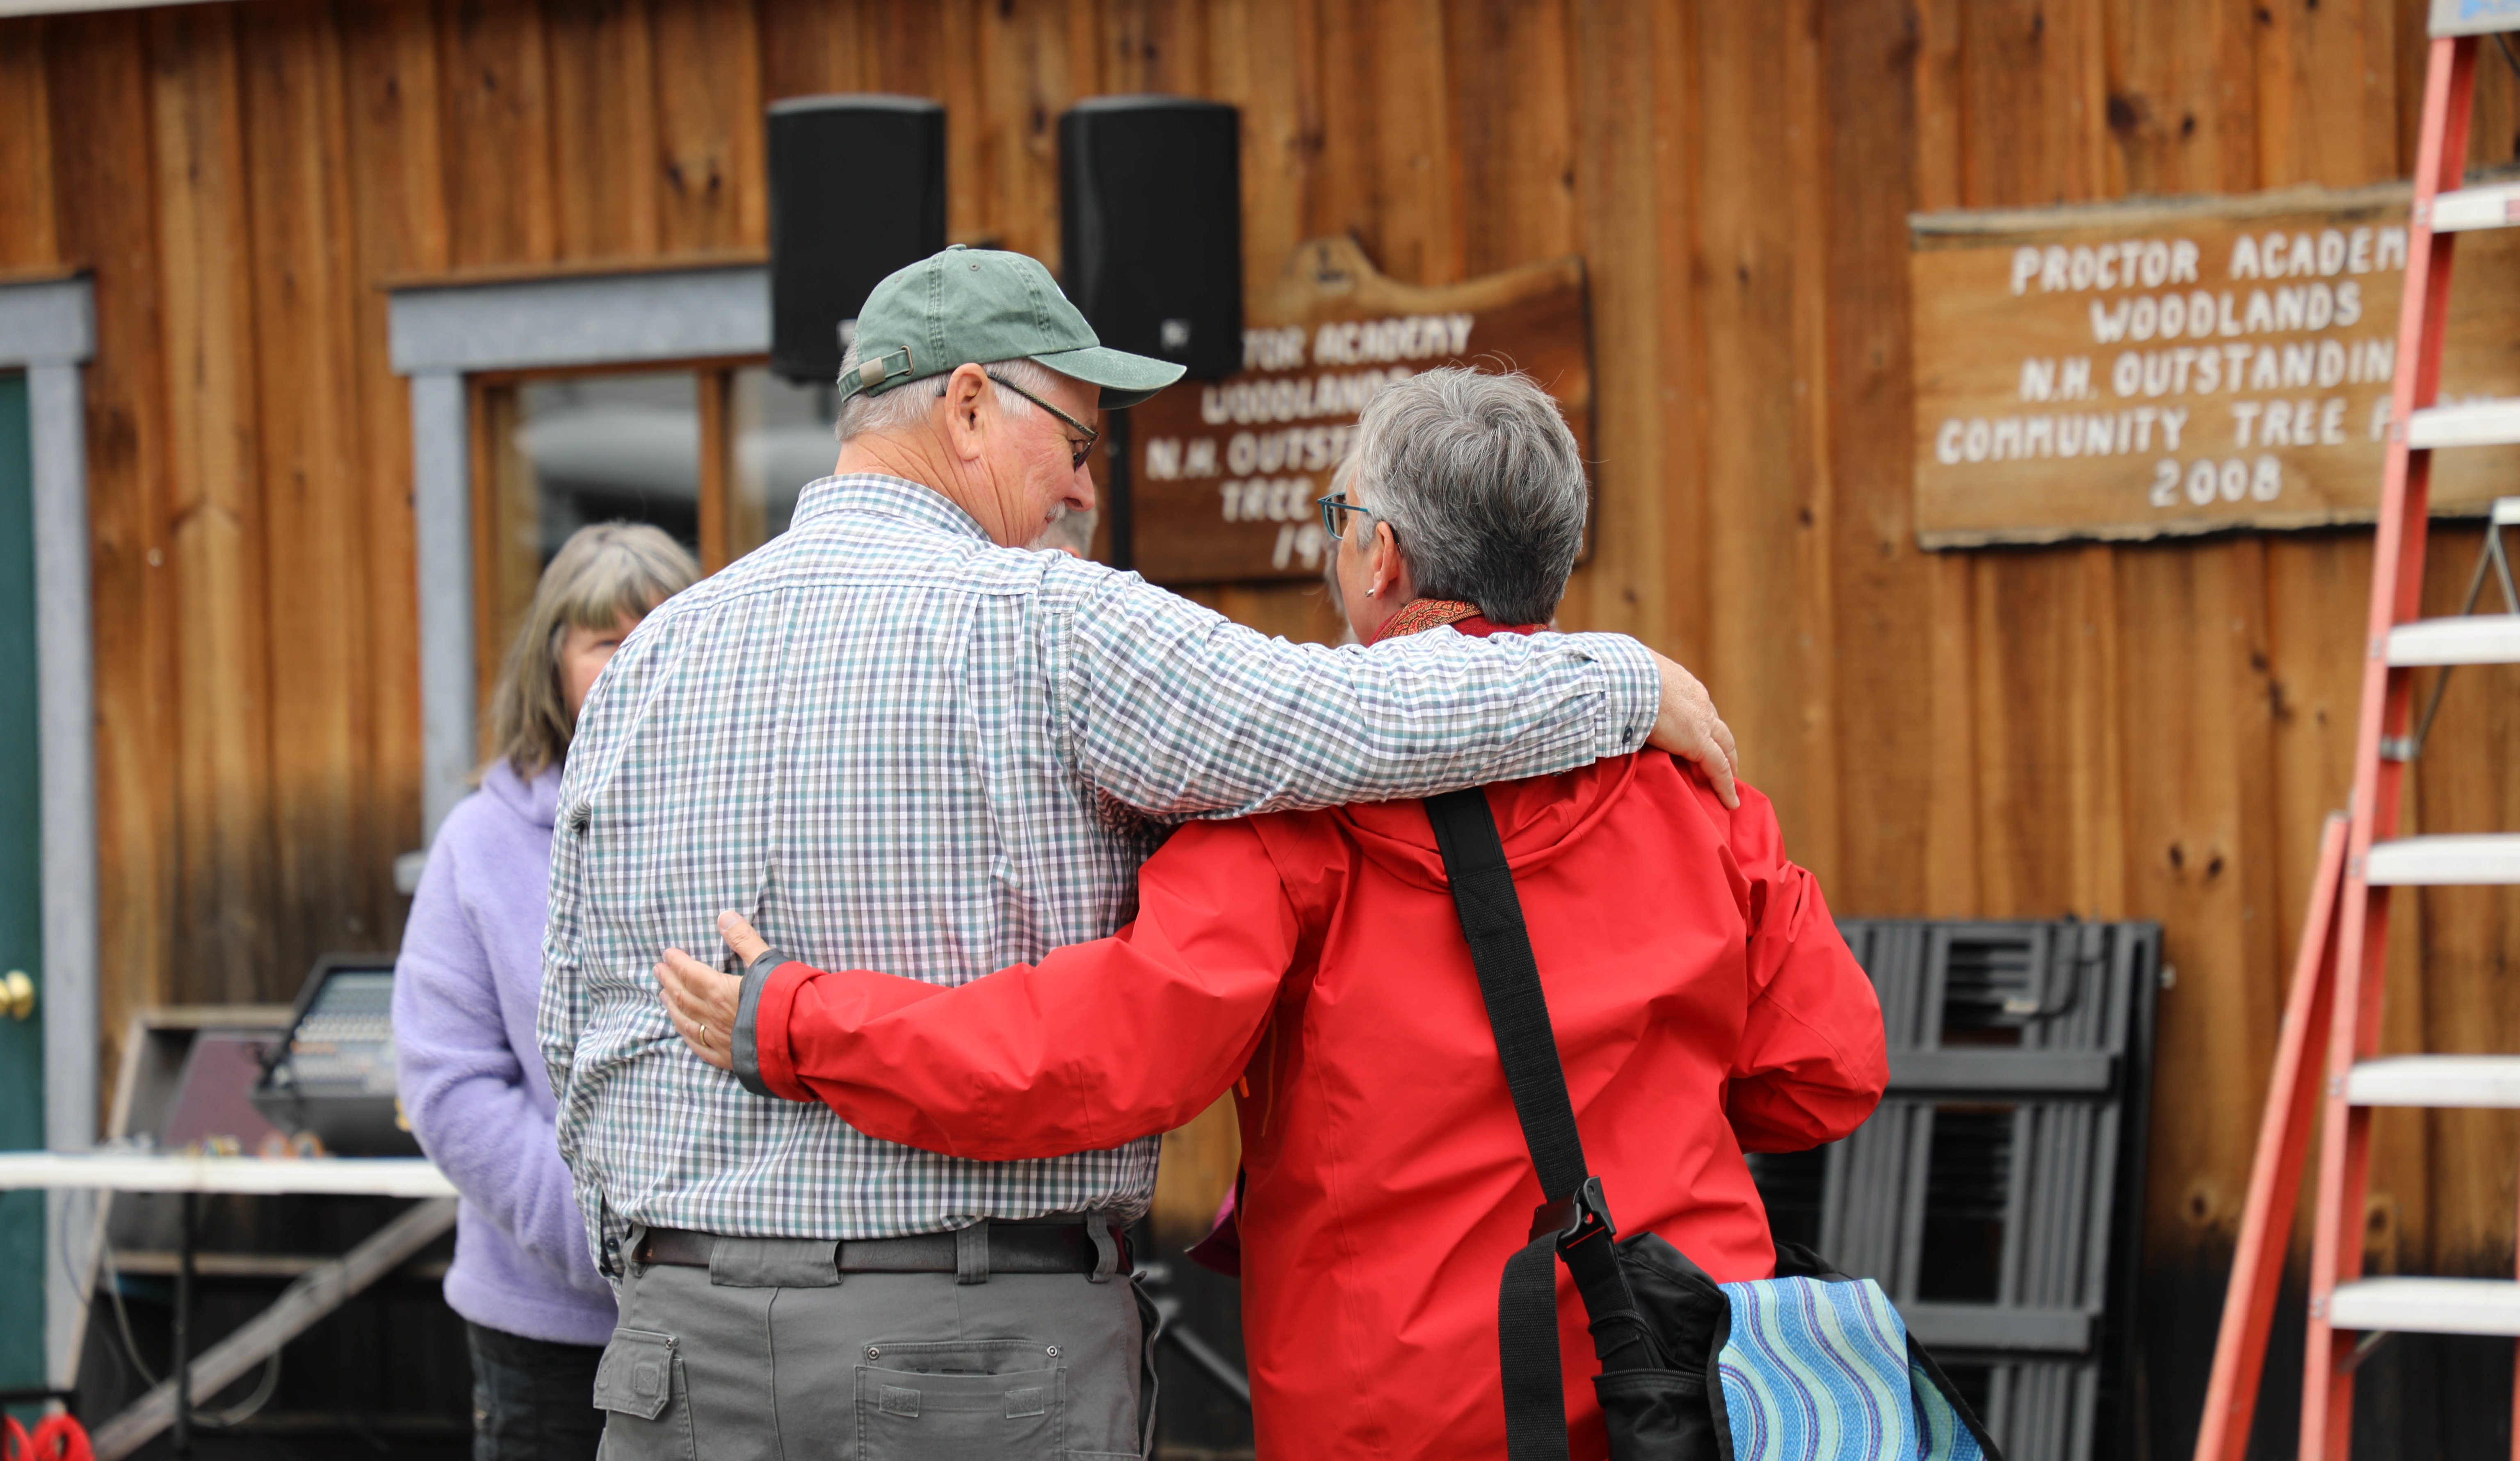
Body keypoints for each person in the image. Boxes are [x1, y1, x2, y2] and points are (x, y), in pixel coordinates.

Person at [540, 246, 1737, 1460]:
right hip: (977, 1345)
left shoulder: (647, 661)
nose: (1083, 485)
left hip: (673, 1342)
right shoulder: (1056, 623)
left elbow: (567, 1022)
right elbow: (1358, 720)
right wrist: (1617, 676)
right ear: (965, 407)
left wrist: (656, 1266)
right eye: (1076, 439)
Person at [394, 522, 699, 1461]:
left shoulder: (740, 816)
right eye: (608, 641)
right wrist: (600, 1237)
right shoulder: (477, 844)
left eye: (661, 632)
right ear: (553, 665)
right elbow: (448, 1082)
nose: (635, 659)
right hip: (546, 1330)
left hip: (728, 1319)